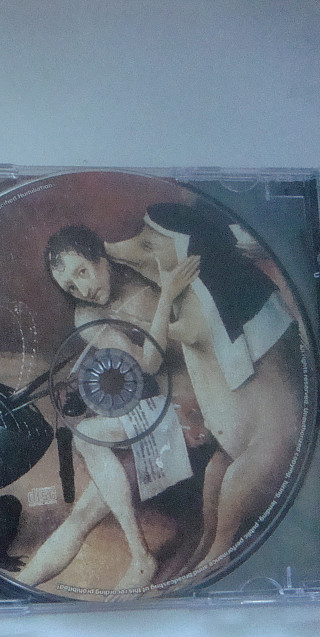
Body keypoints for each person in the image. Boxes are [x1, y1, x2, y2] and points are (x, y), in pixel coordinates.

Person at [102, 204, 305, 569]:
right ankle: (203, 550)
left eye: (150, 245)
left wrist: (150, 307)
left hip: (271, 445)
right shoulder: (198, 287)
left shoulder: (204, 296)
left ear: (188, 256)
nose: (138, 252)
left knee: (233, 490)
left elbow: (173, 339)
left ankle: (212, 558)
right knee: (216, 473)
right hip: (236, 441)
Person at [17, 226, 201, 593]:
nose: (83, 290)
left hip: (199, 402)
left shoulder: (138, 263)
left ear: (100, 256)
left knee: (88, 466)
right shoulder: (86, 318)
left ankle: (140, 557)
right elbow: (148, 364)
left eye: (83, 272)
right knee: (85, 479)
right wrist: (167, 296)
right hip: (164, 412)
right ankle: (17, 589)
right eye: (71, 287)